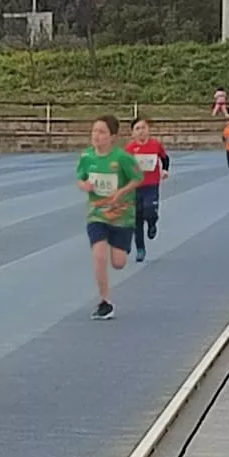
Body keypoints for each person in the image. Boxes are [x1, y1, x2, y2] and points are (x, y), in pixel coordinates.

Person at [78, 114, 139, 321]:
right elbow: (80, 178)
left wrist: (120, 193)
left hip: (122, 215)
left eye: (102, 132)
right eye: (94, 131)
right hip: (97, 214)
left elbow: (137, 178)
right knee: (98, 255)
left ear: (113, 137)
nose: (96, 136)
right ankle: (105, 301)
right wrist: (84, 185)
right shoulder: (86, 157)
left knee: (119, 262)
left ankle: (120, 242)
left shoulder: (122, 158)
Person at [126, 117, 171, 261]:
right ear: (132, 133)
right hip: (135, 187)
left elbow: (165, 158)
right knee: (136, 219)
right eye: (137, 129)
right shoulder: (130, 148)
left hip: (151, 185)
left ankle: (152, 223)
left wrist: (165, 170)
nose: (141, 132)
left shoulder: (155, 145)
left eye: (143, 128)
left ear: (148, 130)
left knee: (149, 210)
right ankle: (140, 249)